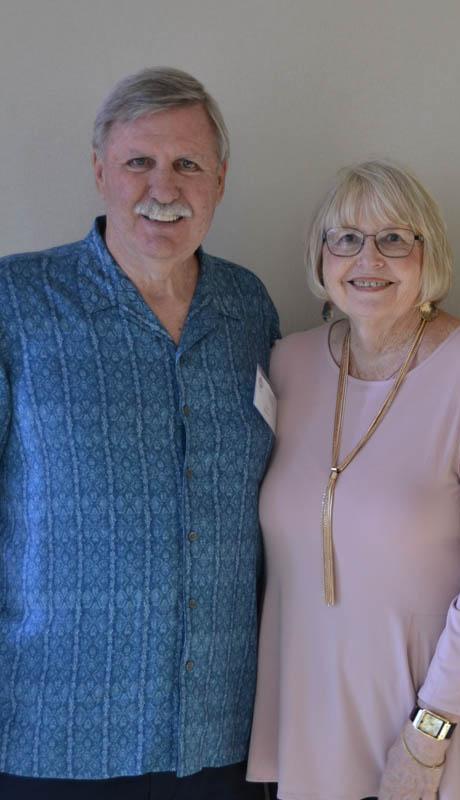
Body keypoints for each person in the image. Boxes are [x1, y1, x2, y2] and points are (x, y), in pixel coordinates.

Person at [245, 160, 460, 800]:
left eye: (395, 238)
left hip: (449, 724)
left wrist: (429, 734)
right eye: (346, 238)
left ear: (429, 257)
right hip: (320, 716)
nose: (369, 258)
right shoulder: (288, 364)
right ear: (321, 256)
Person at [0, 68, 278, 799]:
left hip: (223, 729)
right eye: (138, 162)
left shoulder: (248, 307)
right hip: (52, 730)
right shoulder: (16, 302)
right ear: (100, 172)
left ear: (219, 178)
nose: (165, 185)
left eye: (187, 163)